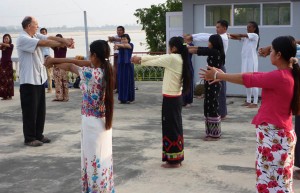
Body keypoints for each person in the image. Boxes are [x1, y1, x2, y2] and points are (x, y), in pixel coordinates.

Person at [200, 36, 299, 192]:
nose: (270, 52)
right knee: (275, 181)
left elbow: (250, 79)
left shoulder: (281, 77)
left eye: (272, 50)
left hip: (275, 137)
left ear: (279, 55)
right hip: (275, 136)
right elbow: (256, 75)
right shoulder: (284, 74)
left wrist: (219, 76)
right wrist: (221, 74)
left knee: (274, 185)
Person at [44, 40, 115, 193]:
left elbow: (71, 65)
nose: (89, 57)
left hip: (92, 124)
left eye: (90, 54)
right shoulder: (106, 69)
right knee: (102, 158)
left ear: (94, 56)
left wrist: (52, 61)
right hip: (103, 122)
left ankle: (95, 190)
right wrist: (54, 62)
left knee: (92, 159)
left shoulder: (91, 73)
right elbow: (76, 62)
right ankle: (105, 188)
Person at [131, 36, 192, 168]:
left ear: (174, 47)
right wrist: (140, 60)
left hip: (171, 99)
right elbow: (156, 58)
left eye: (170, 47)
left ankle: (174, 161)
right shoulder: (178, 58)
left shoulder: (173, 58)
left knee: (171, 128)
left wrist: (139, 60)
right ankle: (176, 158)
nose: (169, 50)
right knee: (175, 126)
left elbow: (156, 61)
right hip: (174, 98)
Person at [16, 16, 74, 147]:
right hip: (29, 80)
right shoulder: (22, 38)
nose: (38, 26)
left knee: (40, 110)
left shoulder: (35, 35)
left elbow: (49, 38)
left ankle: (38, 135)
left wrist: (65, 40)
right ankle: (29, 137)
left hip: (39, 78)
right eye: (36, 24)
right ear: (29, 26)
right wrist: (65, 43)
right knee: (30, 111)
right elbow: (44, 43)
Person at [185, 19, 229, 119]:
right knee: (214, 97)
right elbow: (197, 47)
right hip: (214, 72)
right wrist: (189, 41)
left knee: (217, 97)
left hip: (217, 72)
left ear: (224, 28)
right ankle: (218, 115)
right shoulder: (216, 46)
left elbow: (197, 47)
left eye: (218, 27)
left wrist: (189, 40)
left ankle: (219, 115)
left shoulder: (220, 41)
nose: (216, 29)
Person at [188, 34, 225, 141]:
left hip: (214, 82)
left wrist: (185, 46)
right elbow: (197, 49)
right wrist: (187, 46)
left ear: (213, 43)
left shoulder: (215, 52)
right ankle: (210, 132)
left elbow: (197, 50)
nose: (208, 43)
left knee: (212, 105)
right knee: (208, 105)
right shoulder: (216, 52)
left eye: (209, 41)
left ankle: (215, 134)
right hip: (210, 81)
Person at [229, 21, 260, 108]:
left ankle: (255, 102)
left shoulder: (254, 35)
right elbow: (237, 38)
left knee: (253, 80)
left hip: (252, 61)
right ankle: (248, 100)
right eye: (247, 27)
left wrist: (229, 33)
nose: (248, 28)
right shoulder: (246, 37)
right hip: (245, 61)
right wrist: (228, 36)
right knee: (246, 80)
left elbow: (240, 35)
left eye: (249, 27)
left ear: (254, 28)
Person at [114, 33, 135, 104]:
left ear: (128, 40)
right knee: (121, 81)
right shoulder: (120, 46)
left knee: (127, 81)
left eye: (125, 39)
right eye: (122, 39)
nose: (123, 40)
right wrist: (116, 46)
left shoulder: (130, 45)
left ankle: (128, 98)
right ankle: (122, 98)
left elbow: (125, 45)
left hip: (128, 66)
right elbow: (118, 47)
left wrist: (117, 45)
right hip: (121, 65)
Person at [52, 34, 69, 102]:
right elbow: (48, 43)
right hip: (56, 65)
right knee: (57, 82)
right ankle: (59, 97)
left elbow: (67, 43)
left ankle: (65, 97)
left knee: (64, 81)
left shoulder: (64, 45)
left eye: (59, 39)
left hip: (63, 65)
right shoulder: (55, 46)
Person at [108, 26, 125, 93]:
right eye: (118, 30)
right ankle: (116, 87)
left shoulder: (125, 37)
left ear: (123, 31)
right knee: (115, 71)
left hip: (122, 55)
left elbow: (124, 40)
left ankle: (121, 87)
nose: (119, 31)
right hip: (116, 55)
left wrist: (114, 39)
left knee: (121, 71)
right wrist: (110, 39)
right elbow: (110, 40)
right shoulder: (115, 37)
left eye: (120, 30)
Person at [0, 34, 14, 100]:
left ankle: (10, 95)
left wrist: (2, 43)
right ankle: (4, 95)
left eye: (7, 38)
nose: (6, 39)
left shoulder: (11, 45)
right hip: (2, 64)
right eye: (5, 38)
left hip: (8, 64)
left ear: (9, 39)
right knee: (3, 79)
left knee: (9, 79)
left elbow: (7, 45)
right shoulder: (2, 46)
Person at [182, 35, 194, 107]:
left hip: (188, 66)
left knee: (189, 83)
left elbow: (186, 46)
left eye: (185, 37)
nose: (184, 39)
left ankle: (188, 101)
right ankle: (183, 100)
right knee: (183, 84)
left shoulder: (191, 45)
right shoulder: (184, 44)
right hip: (184, 66)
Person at [40, 28, 53, 93]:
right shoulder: (38, 41)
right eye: (41, 32)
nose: (43, 33)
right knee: (40, 74)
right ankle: (40, 89)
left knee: (49, 75)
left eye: (44, 32)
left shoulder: (48, 41)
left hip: (47, 58)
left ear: (46, 33)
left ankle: (49, 88)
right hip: (40, 59)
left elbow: (54, 48)